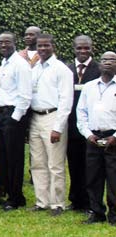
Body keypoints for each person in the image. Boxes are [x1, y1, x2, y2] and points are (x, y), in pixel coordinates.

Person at [27, 34, 73, 216]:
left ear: (53, 46)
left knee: (55, 164)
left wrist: (58, 127)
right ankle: (42, 201)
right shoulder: (35, 68)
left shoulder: (61, 69)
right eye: (40, 46)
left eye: (46, 45)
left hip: (52, 117)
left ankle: (57, 203)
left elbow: (66, 101)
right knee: (38, 163)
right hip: (35, 118)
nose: (43, 49)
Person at [76, 51, 116, 225]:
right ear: (99, 64)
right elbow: (81, 113)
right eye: (105, 59)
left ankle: (114, 214)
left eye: (112, 60)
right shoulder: (90, 86)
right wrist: (88, 134)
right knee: (93, 178)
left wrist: (115, 136)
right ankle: (96, 212)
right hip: (93, 137)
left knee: (114, 179)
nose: (107, 62)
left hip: (112, 138)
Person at [0, 32, 32, 211]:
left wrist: (14, 119)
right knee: (2, 157)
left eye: (7, 42)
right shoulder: (5, 62)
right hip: (2, 115)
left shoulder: (20, 64)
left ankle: (15, 198)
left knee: (14, 159)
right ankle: (10, 193)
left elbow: (25, 95)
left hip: (13, 116)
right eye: (1, 42)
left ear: (14, 43)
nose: (3, 45)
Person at [66, 35, 100, 212]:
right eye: (79, 48)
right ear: (74, 49)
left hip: (90, 125)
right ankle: (75, 199)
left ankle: (89, 202)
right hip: (71, 124)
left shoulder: (98, 69)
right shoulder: (68, 69)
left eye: (86, 48)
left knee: (90, 166)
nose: (83, 51)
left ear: (91, 48)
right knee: (73, 163)